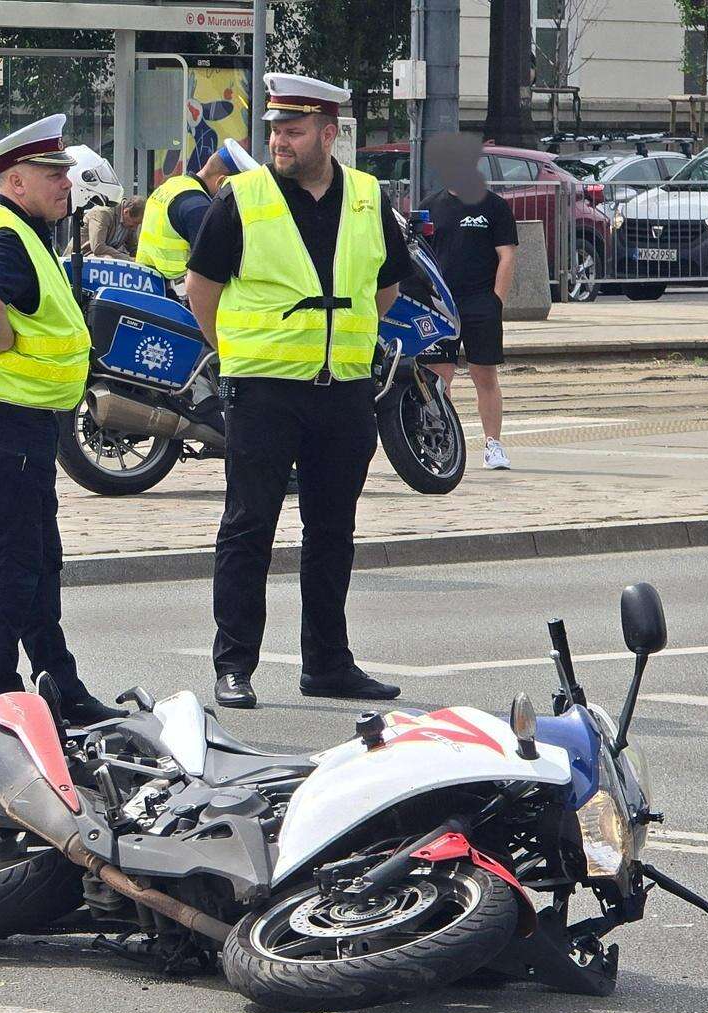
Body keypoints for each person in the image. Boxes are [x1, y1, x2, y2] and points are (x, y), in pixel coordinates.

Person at [182, 74, 413, 710]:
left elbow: (385, 287)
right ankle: (234, 666)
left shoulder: (368, 198)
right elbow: (200, 287)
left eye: (293, 130)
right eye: (276, 131)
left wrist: (343, 340)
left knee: (333, 530)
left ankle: (327, 664)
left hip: (342, 391)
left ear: (329, 135)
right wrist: (237, 356)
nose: (279, 141)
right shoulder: (242, 198)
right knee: (249, 525)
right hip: (263, 391)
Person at [0, 114, 128, 725]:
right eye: (52, 174)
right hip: (5, 418)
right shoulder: (7, 237)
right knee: (15, 558)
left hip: (19, 419)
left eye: (65, 172)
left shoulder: (21, 229)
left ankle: (57, 686)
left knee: (38, 557)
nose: (65, 183)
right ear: (15, 180)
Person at [420, 134, 517, 470]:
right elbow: (417, 255)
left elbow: (506, 256)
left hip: (480, 303)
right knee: (437, 377)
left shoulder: (494, 206)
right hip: (441, 305)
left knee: (484, 375)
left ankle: (493, 444)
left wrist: (496, 301)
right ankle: (444, 442)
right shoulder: (431, 206)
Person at [138, 138, 260, 285]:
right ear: (221, 181)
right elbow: (211, 269)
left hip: (147, 282)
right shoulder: (200, 208)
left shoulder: (172, 185)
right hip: (179, 293)